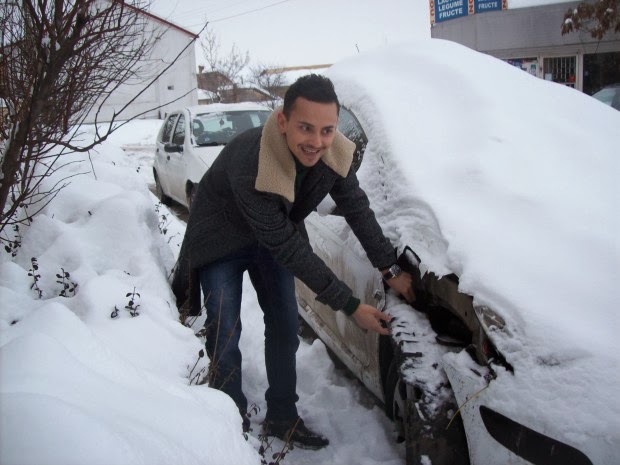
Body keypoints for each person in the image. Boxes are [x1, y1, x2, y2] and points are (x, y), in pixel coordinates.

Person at [172, 74, 414, 450]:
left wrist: (390, 268)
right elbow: (287, 246)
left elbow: (356, 207)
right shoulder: (250, 160)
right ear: (283, 122)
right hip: (222, 239)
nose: (316, 142)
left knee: (285, 328)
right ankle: (226, 421)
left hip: (269, 240)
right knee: (225, 326)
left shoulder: (333, 154)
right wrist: (350, 305)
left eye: (327, 130)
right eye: (305, 128)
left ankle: (282, 417)